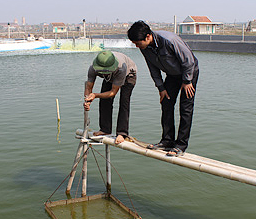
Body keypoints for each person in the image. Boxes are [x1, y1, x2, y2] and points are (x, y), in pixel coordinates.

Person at [127, 21, 199, 156]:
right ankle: (167, 141)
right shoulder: (145, 48)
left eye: (137, 43)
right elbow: (153, 68)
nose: (136, 46)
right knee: (166, 103)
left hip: (188, 73)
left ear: (148, 36)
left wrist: (187, 80)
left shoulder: (169, 40)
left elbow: (188, 60)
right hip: (172, 75)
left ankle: (180, 145)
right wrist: (161, 88)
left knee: (185, 108)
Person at [84, 50, 137, 144]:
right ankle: (105, 129)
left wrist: (95, 95)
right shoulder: (93, 68)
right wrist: (87, 100)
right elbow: (88, 87)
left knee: (124, 102)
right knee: (104, 101)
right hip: (110, 77)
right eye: (102, 71)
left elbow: (113, 92)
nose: (104, 72)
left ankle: (122, 133)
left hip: (129, 75)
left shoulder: (121, 68)